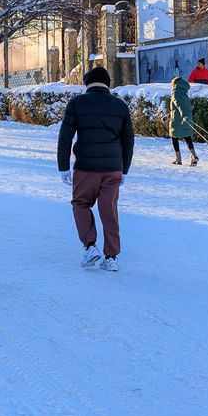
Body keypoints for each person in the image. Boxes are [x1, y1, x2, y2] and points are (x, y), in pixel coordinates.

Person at [57, 66, 134, 272]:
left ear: (87, 83)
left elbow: (65, 136)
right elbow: (128, 141)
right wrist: (124, 169)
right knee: (109, 210)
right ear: (107, 84)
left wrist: (63, 166)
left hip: (86, 167)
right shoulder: (120, 106)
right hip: (113, 168)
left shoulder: (77, 103)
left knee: (81, 203)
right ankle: (111, 257)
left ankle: (90, 246)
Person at [168, 75, 197, 166]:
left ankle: (178, 159)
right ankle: (193, 156)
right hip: (186, 119)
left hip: (178, 120)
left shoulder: (176, 93)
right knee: (187, 137)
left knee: (174, 137)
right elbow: (177, 108)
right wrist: (168, 116)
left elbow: (180, 105)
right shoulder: (183, 93)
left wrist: (183, 115)